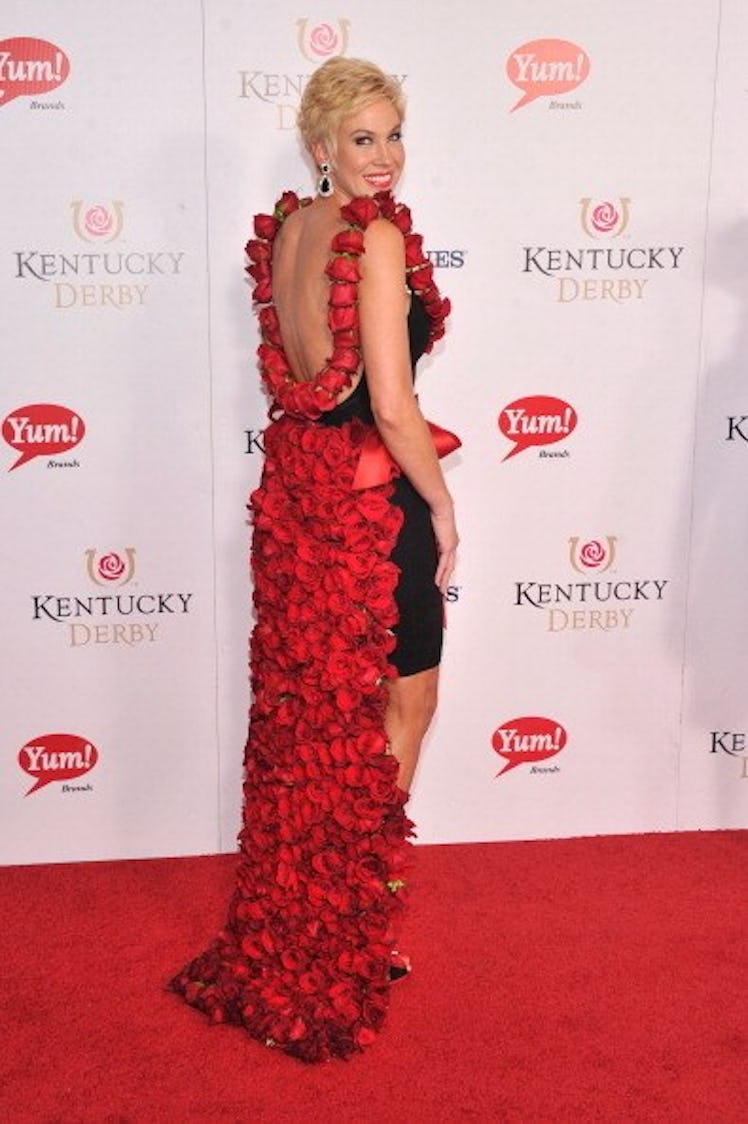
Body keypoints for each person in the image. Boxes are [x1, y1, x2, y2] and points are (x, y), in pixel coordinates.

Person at [170, 57, 459, 1063]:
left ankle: (307, 917)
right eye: (363, 138)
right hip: (374, 504)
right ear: (321, 146)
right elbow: (389, 403)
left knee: (312, 721)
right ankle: (353, 932)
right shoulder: (372, 240)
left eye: (393, 134)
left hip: (301, 506)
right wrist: (443, 501)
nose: (384, 157)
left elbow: (306, 384)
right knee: (400, 708)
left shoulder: (291, 231)